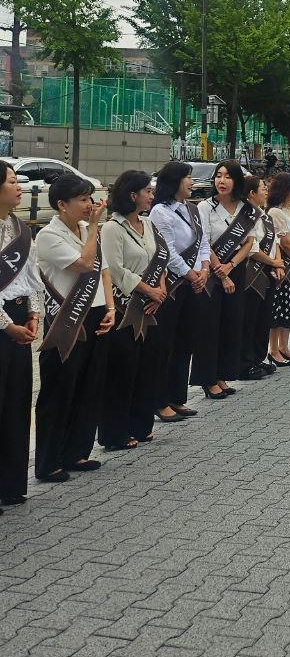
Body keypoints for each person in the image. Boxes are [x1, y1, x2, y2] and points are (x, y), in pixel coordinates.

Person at [34, 174, 115, 482]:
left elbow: (103, 271)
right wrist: (94, 228)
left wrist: (110, 308)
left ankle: (77, 452)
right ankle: (48, 462)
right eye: (82, 199)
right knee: (59, 390)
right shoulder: (48, 235)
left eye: (90, 198)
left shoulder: (85, 229)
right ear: (62, 204)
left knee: (89, 385)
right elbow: (84, 264)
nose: (89, 205)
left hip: (95, 314)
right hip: (66, 321)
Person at [99, 170, 169, 450]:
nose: (152, 196)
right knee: (122, 370)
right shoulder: (112, 228)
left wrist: (160, 289)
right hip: (125, 307)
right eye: (147, 191)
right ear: (132, 194)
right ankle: (115, 433)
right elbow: (115, 270)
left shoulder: (148, 224)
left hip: (151, 307)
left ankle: (141, 425)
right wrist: (148, 290)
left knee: (147, 367)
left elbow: (160, 259)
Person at [150, 161, 211, 420]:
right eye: (188, 177)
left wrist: (205, 269)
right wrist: (190, 274)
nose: (192, 182)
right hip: (174, 284)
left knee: (185, 342)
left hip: (195, 282)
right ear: (174, 181)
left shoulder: (192, 209)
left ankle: (177, 398)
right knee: (166, 343)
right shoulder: (160, 212)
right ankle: (160, 400)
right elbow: (167, 250)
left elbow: (203, 242)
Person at [0, 161, 42, 509]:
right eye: (13, 181)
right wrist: (6, 325)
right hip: (2, 323)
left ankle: (11, 484)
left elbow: (31, 275)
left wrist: (33, 313)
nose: (19, 187)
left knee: (16, 403)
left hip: (19, 320)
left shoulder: (20, 227)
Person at [197, 161, 257, 398]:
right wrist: (221, 272)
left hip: (236, 268)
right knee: (210, 327)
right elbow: (203, 241)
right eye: (218, 176)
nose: (222, 181)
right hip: (212, 273)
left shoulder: (246, 208)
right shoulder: (205, 207)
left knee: (231, 324)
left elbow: (249, 242)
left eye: (228, 176)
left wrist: (231, 266)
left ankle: (222, 375)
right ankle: (208, 379)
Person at [240, 174, 285, 378]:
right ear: (251, 193)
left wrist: (278, 263)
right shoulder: (245, 216)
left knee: (263, 319)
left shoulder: (264, 215)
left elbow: (275, 242)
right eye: (262, 188)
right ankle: (246, 363)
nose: (266, 192)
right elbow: (252, 249)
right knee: (249, 320)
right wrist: (274, 263)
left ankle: (258, 358)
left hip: (268, 273)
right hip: (252, 274)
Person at [267, 172, 290, 366]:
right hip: (284, 266)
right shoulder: (275, 212)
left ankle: (285, 347)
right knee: (279, 309)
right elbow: (284, 241)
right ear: (285, 189)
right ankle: (273, 350)